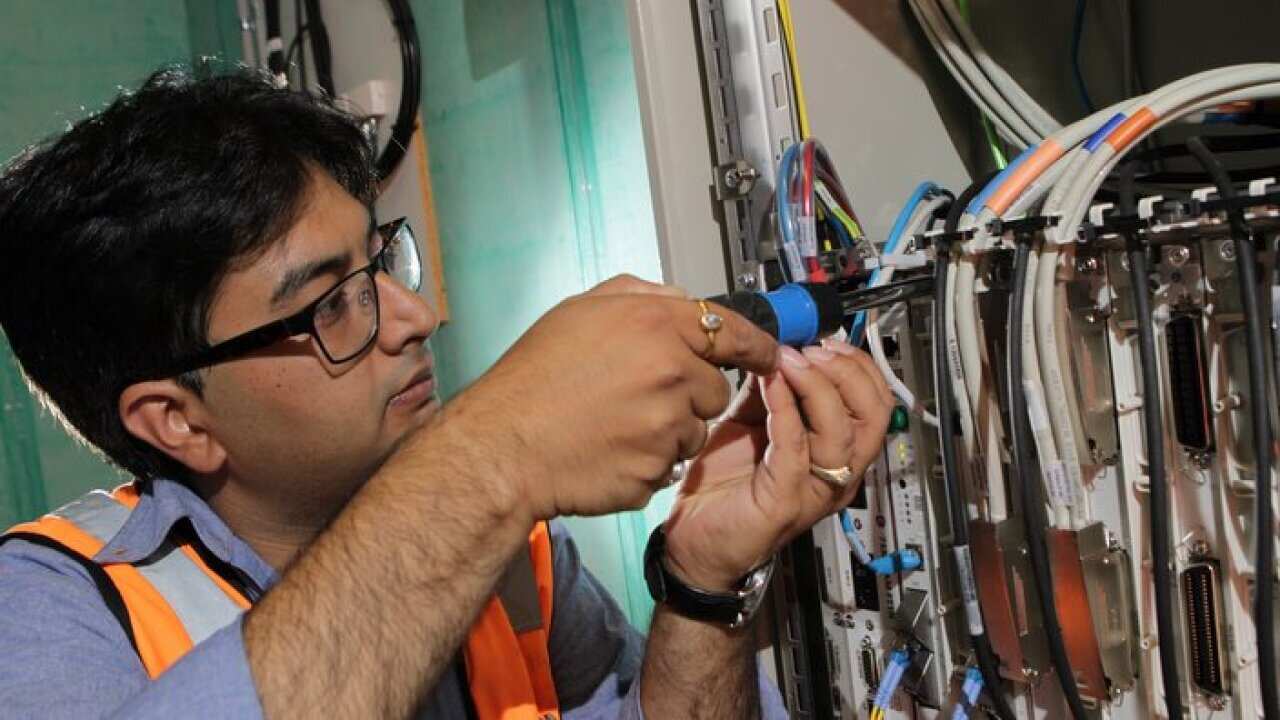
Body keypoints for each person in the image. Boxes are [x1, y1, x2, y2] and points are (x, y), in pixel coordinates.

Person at [0, 68, 892, 719]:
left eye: (379, 263)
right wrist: (493, 452)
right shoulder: (48, 609)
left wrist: (702, 582)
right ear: (177, 420)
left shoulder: (513, 557)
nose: (416, 317)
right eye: (330, 304)